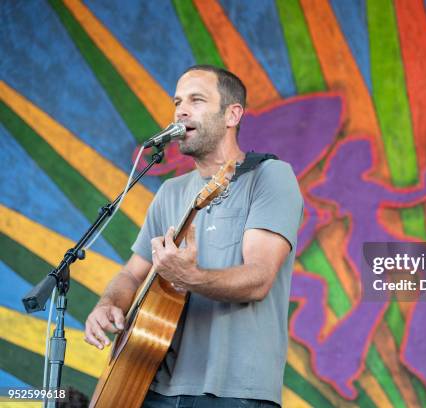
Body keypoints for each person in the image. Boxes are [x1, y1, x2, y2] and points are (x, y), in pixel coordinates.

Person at [84, 65, 303, 407]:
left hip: (233, 392)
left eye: (196, 100)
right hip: (150, 385)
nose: (181, 110)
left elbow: (259, 278)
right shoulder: (171, 191)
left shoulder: (269, 176)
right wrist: (109, 303)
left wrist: (191, 276)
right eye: (177, 102)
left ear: (232, 114)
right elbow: (131, 273)